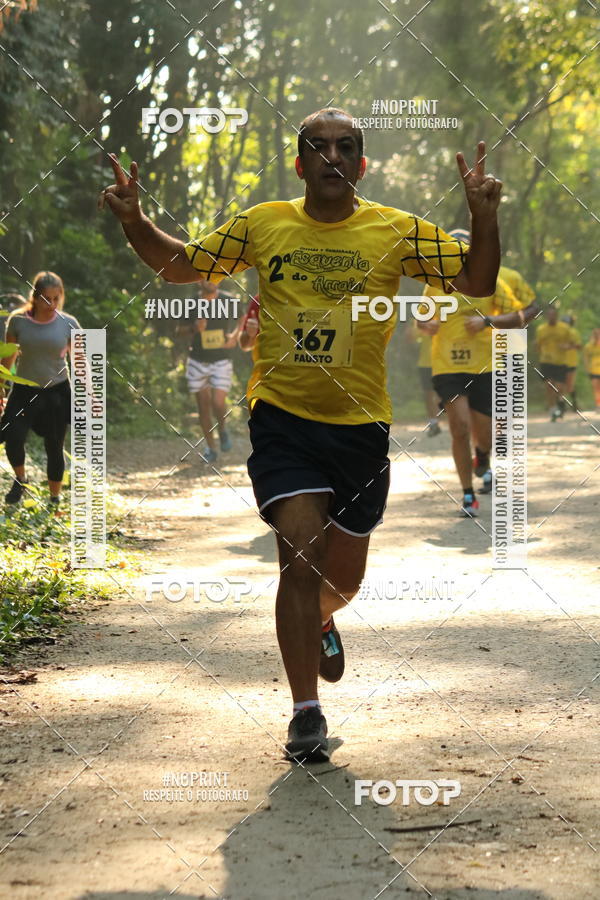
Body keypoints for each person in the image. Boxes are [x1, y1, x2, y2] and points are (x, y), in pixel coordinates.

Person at [100, 107, 503, 762]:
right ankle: (304, 712)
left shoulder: (395, 230)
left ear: (362, 165)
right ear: (300, 163)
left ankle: (322, 617)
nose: (333, 156)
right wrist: (131, 220)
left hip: (363, 427)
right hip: (282, 417)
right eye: (318, 146)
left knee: (340, 580)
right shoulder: (264, 224)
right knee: (297, 548)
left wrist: (484, 216)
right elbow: (180, 264)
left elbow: (476, 281)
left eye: (346, 146)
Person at [420, 235, 537, 517]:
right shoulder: (435, 284)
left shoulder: (492, 282)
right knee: (459, 427)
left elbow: (521, 316)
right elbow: (420, 319)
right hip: (447, 365)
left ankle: (482, 456)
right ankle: (468, 494)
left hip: (487, 365)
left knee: (484, 434)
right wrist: (428, 324)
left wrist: (488, 321)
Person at [0, 272, 80, 507]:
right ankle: (21, 479)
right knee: (12, 438)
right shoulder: (18, 321)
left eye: (56, 298)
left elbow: (80, 363)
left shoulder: (69, 323)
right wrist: (1, 388)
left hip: (57, 392)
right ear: (35, 297)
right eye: (46, 298)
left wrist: (87, 396)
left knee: (54, 447)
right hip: (24, 391)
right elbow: (8, 360)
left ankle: (54, 499)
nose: (52, 304)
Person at [182, 280, 240, 464]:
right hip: (198, 360)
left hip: (221, 359)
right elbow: (178, 330)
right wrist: (193, 328)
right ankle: (211, 448)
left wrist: (234, 337)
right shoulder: (191, 303)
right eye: (208, 277)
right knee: (203, 406)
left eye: (216, 277)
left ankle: (222, 429)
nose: (213, 281)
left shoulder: (228, 300)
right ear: (199, 281)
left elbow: (243, 318)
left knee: (217, 401)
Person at [535, 306, 577, 421]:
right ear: (546, 316)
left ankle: (560, 403)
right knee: (549, 386)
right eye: (549, 315)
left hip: (560, 362)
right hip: (546, 362)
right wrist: (540, 351)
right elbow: (538, 345)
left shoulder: (564, 328)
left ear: (557, 316)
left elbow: (575, 344)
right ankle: (552, 410)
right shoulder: (541, 329)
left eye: (553, 315)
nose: (551, 317)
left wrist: (567, 346)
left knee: (559, 387)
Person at [562, 313, 582, 411]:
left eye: (566, 322)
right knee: (561, 385)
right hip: (559, 362)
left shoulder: (573, 332)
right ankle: (561, 406)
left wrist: (569, 347)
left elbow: (579, 346)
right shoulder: (558, 332)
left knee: (569, 385)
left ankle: (574, 404)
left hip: (571, 362)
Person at [584, 328, 600, 410]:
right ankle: (598, 404)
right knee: (596, 388)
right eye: (595, 335)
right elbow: (586, 358)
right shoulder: (588, 346)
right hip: (593, 370)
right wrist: (587, 369)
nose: (597, 336)